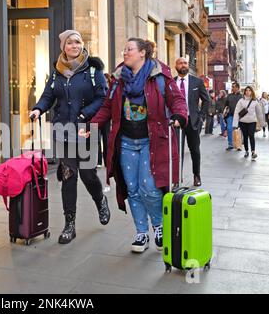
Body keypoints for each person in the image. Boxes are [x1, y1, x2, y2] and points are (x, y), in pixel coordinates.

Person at [83, 38, 188, 253]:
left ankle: (158, 227)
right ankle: (141, 232)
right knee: (132, 189)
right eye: (124, 49)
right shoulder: (119, 78)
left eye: (129, 49)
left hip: (153, 141)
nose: (125, 52)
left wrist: (179, 115)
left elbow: (177, 99)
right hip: (126, 142)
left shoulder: (160, 74)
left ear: (142, 53)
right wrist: (92, 125)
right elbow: (107, 106)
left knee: (149, 187)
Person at [29, 30, 110, 245]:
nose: (74, 46)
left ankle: (100, 200)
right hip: (63, 132)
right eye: (70, 43)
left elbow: (103, 98)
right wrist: (38, 109)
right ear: (63, 46)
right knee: (68, 176)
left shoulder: (93, 70)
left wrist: (84, 114)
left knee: (87, 174)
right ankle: (69, 224)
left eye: (78, 42)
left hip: (85, 131)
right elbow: (48, 96)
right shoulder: (57, 71)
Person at [174, 57, 210, 187]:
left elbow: (206, 100)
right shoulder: (171, 83)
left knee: (194, 149)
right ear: (175, 66)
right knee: (177, 151)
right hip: (177, 122)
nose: (183, 65)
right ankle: (177, 179)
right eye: (180, 63)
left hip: (192, 121)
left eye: (185, 63)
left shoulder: (197, 82)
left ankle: (197, 175)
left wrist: (201, 117)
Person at [233, 86, 266, 160]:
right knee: (245, 136)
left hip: (252, 122)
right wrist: (235, 123)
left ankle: (253, 152)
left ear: (252, 92)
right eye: (246, 90)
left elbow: (259, 113)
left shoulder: (255, 101)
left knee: (251, 135)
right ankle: (246, 151)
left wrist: (262, 123)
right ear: (244, 92)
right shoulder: (241, 101)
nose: (248, 92)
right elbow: (236, 112)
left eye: (249, 90)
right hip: (243, 122)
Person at [224, 82, 243, 151]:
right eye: (232, 87)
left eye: (235, 87)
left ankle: (238, 145)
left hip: (239, 116)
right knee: (229, 129)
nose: (233, 88)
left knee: (238, 130)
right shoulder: (229, 96)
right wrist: (225, 112)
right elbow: (226, 105)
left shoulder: (241, 96)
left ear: (238, 88)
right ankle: (230, 144)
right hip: (230, 115)